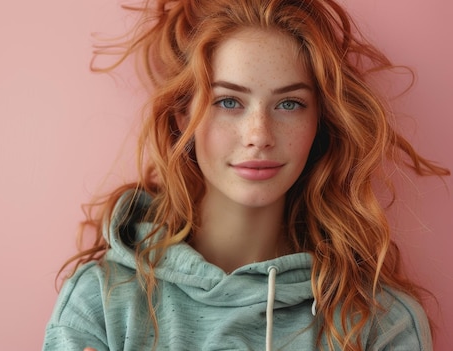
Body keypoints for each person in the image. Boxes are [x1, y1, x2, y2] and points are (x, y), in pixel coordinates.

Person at [43, 0, 450, 350]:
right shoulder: (100, 302)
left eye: (289, 104)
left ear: (319, 121)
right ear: (184, 115)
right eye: (229, 102)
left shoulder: (382, 322)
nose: (259, 135)